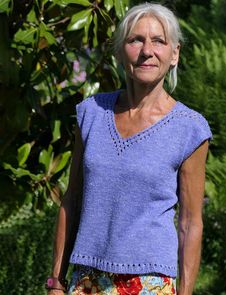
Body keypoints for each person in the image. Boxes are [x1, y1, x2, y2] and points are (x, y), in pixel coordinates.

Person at [45, 2, 212, 295]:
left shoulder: (190, 129)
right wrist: (56, 283)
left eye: (159, 41)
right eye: (136, 40)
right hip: (86, 281)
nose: (147, 50)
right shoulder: (91, 114)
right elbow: (72, 201)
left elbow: (190, 222)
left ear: (174, 54)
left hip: (151, 282)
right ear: (121, 52)